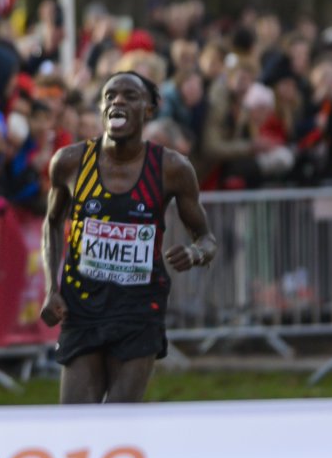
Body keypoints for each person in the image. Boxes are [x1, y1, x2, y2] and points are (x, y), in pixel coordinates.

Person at [39, 71, 217, 404]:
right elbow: (51, 224)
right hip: (83, 305)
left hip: (138, 308)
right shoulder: (70, 162)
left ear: (149, 110)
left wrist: (194, 253)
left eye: (130, 96)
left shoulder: (172, 169)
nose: (117, 101)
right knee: (73, 422)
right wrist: (51, 287)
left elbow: (207, 238)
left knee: (120, 419)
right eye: (110, 96)